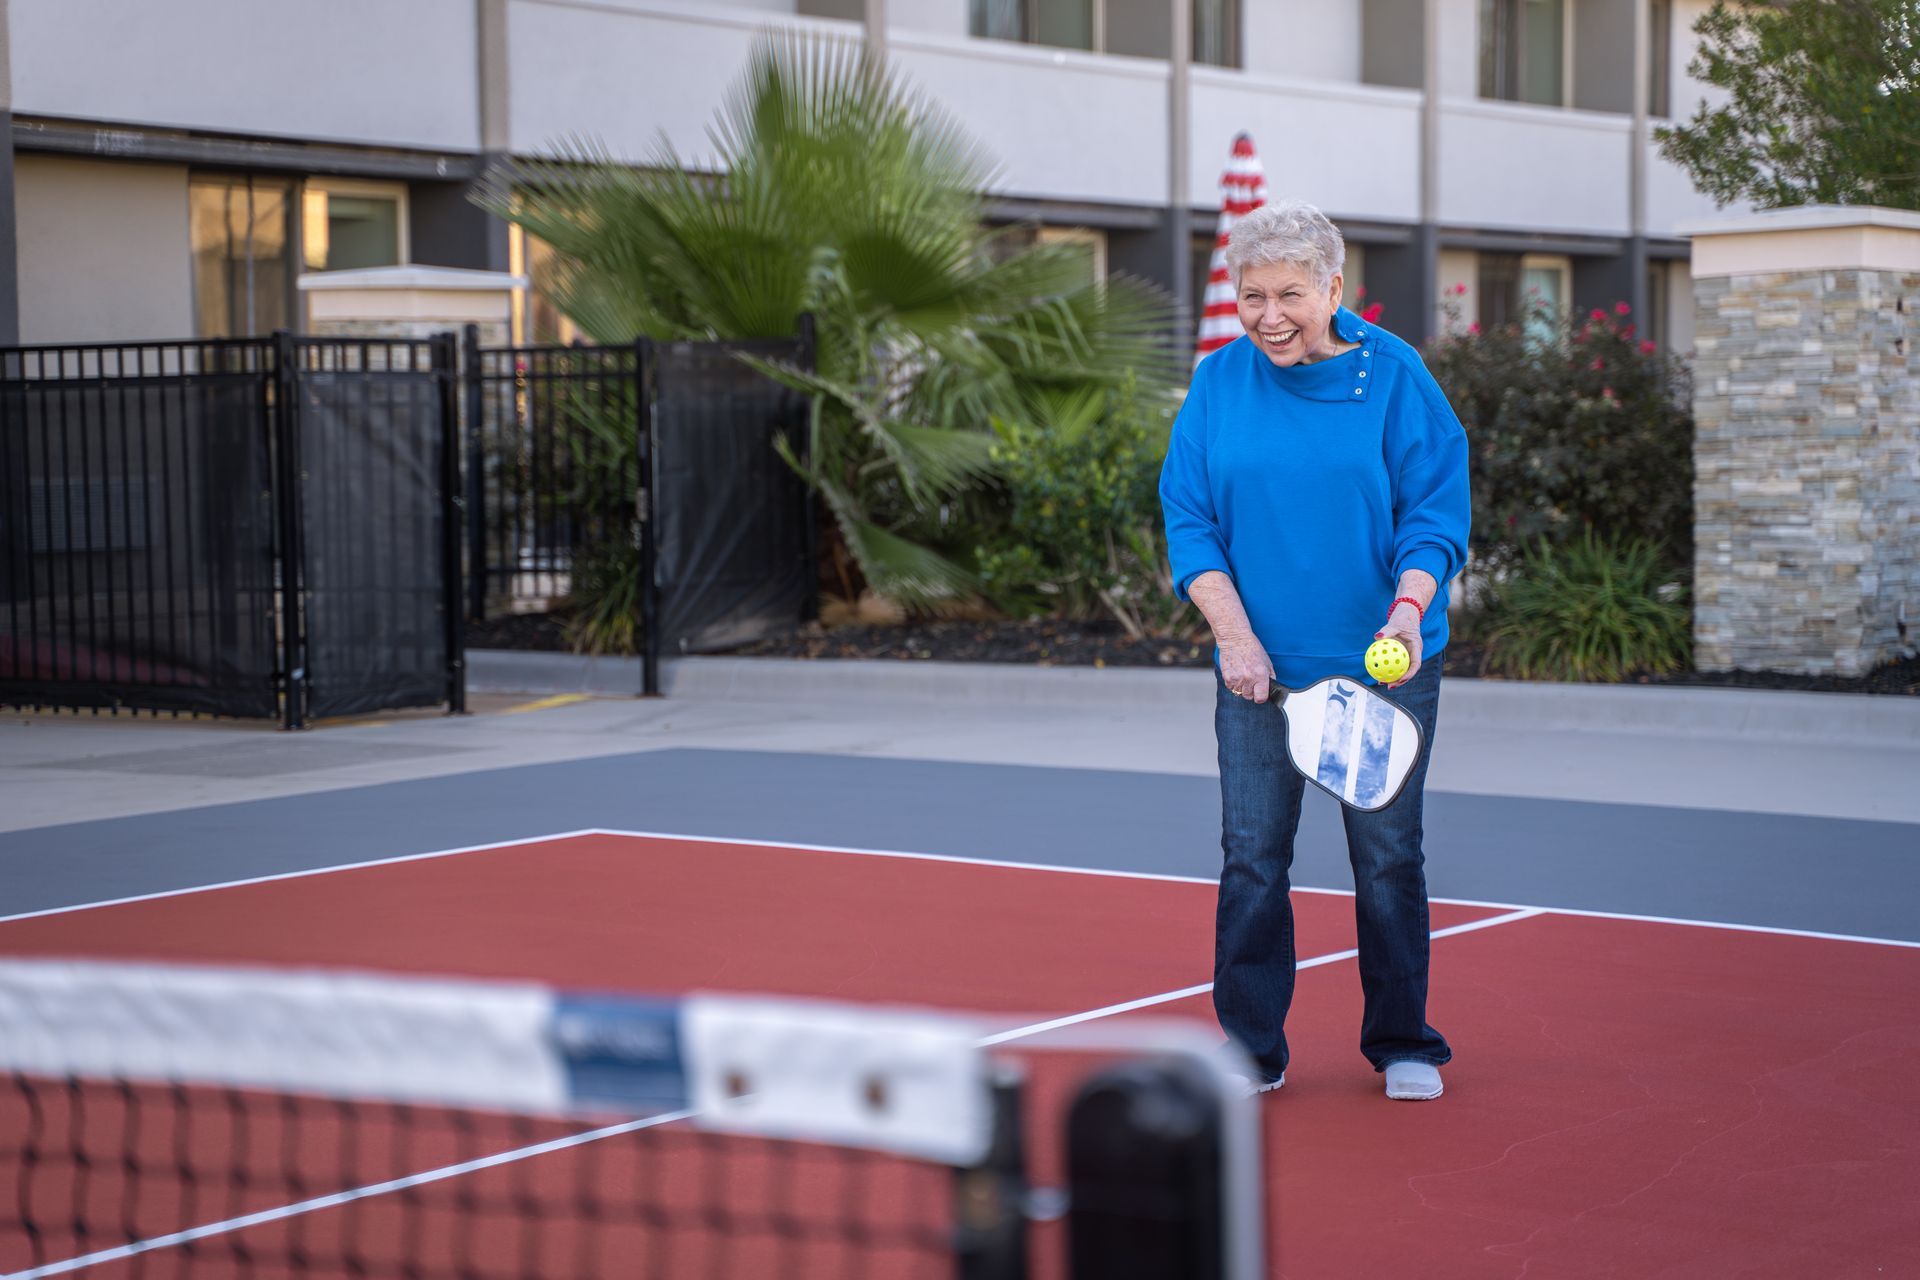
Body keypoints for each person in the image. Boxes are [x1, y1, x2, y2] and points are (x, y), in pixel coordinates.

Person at [1160, 200, 1470, 1101]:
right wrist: (1235, 637)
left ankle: (1404, 1041)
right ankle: (1252, 1048)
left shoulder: (1397, 377)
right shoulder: (1220, 383)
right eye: (1251, 294)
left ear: (1334, 289)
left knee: (1387, 858)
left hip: (1384, 661)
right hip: (1260, 669)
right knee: (1253, 857)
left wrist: (1409, 612)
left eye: (1290, 294)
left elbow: (1434, 516)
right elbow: (1190, 519)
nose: (1269, 315)